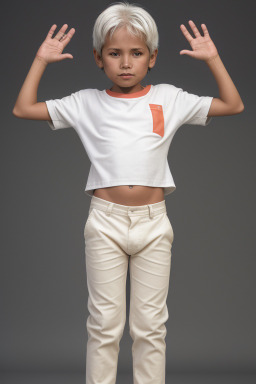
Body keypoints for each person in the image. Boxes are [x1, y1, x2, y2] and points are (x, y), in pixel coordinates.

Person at [12, 1, 244, 383]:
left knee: (151, 328)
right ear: (98, 58)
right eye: (114, 53)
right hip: (105, 223)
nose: (125, 62)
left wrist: (213, 58)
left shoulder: (169, 97)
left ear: (152, 58)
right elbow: (23, 109)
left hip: (155, 225)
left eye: (136, 53)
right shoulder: (85, 102)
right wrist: (40, 60)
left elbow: (233, 104)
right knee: (104, 325)